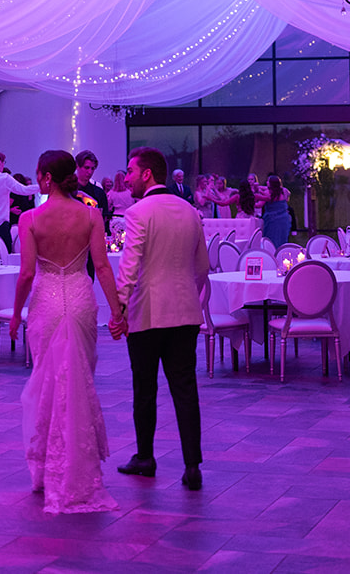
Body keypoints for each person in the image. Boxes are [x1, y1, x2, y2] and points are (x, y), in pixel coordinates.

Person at [10, 149, 122, 514]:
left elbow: (27, 273)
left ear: (45, 177)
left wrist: (15, 314)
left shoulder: (29, 218)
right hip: (79, 299)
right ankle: (76, 466)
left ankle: (44, 470)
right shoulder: (91, 214)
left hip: (45, 304)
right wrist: (117, 310)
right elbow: (102, 267)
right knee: (78, 380)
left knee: (46, 383)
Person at [116, 146, 209, 491]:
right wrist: (187, 293)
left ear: (146, 174)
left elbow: (130, 265)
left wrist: (120, 308)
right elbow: (202, 267)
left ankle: (145, 457)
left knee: (145, 388)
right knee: (185, 389)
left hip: (149, 312)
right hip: (185, 311)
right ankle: (192, 464)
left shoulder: (139, 213)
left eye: (130, 171)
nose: (126, 178)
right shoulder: (189, 211)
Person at [73, 151, 113, 233]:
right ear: (77, 166)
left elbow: (104, 219)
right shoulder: (68, 191)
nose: (90, 172)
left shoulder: (99, 192)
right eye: (86, 168)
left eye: (92, 168)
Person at [260, 174, 292, 248]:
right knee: (282, 238)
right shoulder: (284, 191)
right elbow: (288, 196)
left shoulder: (268, 193)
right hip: (284, 219)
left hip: (272, 220)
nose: (267, 182)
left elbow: (260, 204)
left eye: (268, 181)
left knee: (271, 239)